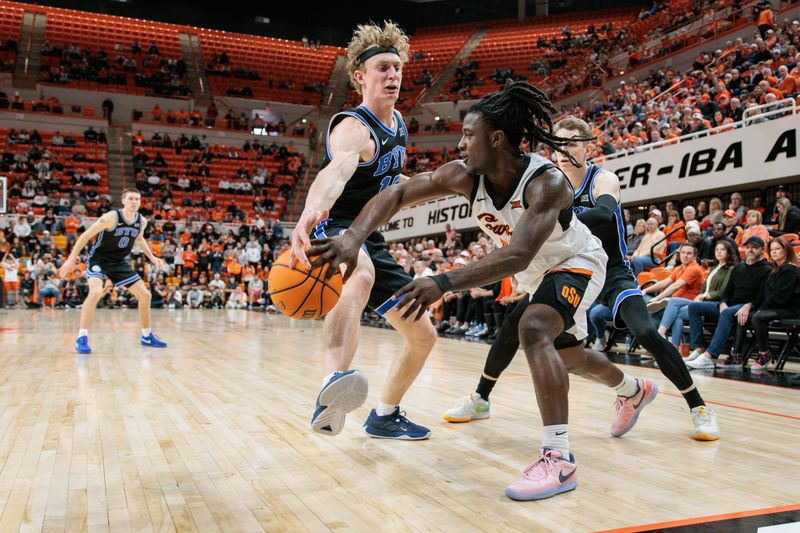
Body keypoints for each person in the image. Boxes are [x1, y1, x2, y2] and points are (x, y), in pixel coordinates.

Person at [309, 83, 656, 501]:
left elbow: (518, 254)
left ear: (496, 139)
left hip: (574, 262)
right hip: (536, 274)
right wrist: (352, 237)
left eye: (468, 135)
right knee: (569, 357)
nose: (460, 143)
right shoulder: (463, 175)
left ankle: (558, 459)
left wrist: (441, 282)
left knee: (534, 330)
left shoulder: (547, 183)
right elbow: (398, 192)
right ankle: (633, 390)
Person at [445, 116, 716, 440]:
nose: (564, 151)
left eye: (573, 143)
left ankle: (699, 407)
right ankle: (481, 399)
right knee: (512, 328)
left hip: (611, 270)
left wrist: (544, 223)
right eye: (559, 144)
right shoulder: (546, 182)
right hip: (566, 270)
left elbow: (602, 214)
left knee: (645, 331)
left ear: (589, 145)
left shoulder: (603, 179)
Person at [289, 22, 437, 440]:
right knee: (360, 273)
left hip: (369, 234)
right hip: (336, 226)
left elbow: (391, 182)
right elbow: (337, 172)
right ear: (360, 77)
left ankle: (385, 415)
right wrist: (310, 211)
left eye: (397, 67)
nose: (393, 75)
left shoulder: (399, 123)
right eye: (383, 68)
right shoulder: (353, 127)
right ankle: (331, 384)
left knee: (423, 336)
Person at [58, 188, 167, 353]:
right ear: (123, 201)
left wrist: (152, 257)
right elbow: (86, 235)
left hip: (119, 262)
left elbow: (139, 239)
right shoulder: (111, 217)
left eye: (137, 199)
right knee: (95, 292)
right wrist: (71, 259)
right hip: (99, 259)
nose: (134, 202)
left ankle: (146, 335)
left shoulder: (142, 221)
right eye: (130, 199)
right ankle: (82, 337)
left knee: (145, 295)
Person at [685, 236, 771, 369]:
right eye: (748, 247)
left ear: (762, 250)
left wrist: (749, 305)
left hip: (746, 305)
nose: (750, 250)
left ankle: (709, 356)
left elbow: (762, 296)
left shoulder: (767, 269)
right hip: (729, 304)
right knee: (694, 307)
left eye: (754, 247)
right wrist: (723, 302)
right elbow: (727, 291)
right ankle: (698, 348)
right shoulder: (739, 267)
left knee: (726, 313)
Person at [731, 237, 799, 369]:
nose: (774, 252)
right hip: (775, 307)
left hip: (790, 309)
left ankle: (764, 354)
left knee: (758, 317)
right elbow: (765, 295)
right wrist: (755, 306)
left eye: (777, 249)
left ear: (786, 251)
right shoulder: (775, 269)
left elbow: (782, 297)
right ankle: (736, 355)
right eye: (772, 249)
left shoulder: (789, 270)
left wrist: (761, 309)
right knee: (742, 316)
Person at [657, 240, 738, 347]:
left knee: (674, 303)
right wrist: (702, 295)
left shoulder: (731, 269)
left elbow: (723, 291)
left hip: (715, 304)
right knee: (677, 313)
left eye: (723, 249)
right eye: (717, 249)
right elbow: (704, 288)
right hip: (702, 302)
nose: (719, 252)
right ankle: (674, 348)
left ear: (728, 252)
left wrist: (703, 296)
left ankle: (660, 335)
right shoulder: (714, 268)